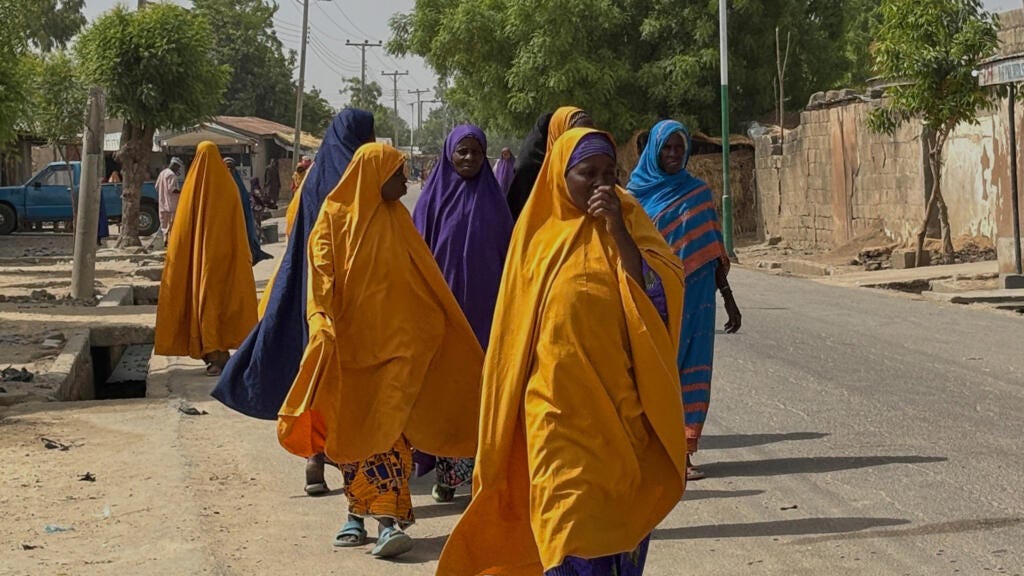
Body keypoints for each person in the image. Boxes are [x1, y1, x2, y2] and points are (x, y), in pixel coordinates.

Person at [437, 128, 688, 575]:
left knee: (617, 531)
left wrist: (617, 231)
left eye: (609, 175)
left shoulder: (630, 220)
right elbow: (510, 337)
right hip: (553, 415)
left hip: (620, 412)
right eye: (586, 174)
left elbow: (661, 295)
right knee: (568, 530)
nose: (599, 185)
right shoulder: (536, 237)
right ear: (560, 176)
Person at [277, 142, 484, 560]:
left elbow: (426, 280)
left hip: (398, 352)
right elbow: (321, 282)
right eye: (398, 174)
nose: (405, 182)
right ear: (374, 175)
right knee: (351, 436)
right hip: (350, 353)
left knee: (390, 436)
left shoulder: (399, 221)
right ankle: (355, 515)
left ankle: (388, 523)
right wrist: (321, 325)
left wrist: (434, 329)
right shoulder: (332, 220)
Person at [213, 109, 377, 496]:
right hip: (360, 297)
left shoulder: (316, 178)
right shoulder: (365, 176)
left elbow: (298, 238)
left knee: (315, 372)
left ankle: (314, 458)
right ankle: (348, 457)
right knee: (353, 379)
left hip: (313, 294)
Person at [627, 119, 742, 481]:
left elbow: (711, 251)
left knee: (691, 372)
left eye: (680, 148)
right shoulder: (633, 198)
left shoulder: (698, 193)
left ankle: (683, 452)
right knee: (655, 372)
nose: (674, 155)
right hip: (654, 300)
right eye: (667, 148)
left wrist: (729, 298)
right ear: (654, 151)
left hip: (697, 303)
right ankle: (650, 451)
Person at [411, 125, 514, 503]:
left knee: (482, 399)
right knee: (445, 398)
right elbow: (416, 259)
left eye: (475, 152)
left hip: (487, 322)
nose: (469, 159)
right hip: (443, 320)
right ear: (449, 155)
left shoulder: (495, 203)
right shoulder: (430, 201)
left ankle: (477, 476)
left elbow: (510, 262)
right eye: (462, 152)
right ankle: (447, 475)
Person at [154, 142, 258, 377]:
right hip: (225, 262)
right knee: (218, 304)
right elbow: (241, 225)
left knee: (204, 304)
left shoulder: (191, 189)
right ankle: (216, 354)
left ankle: (215, 355)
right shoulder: (228, 187)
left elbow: (180, 236)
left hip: (204, 263)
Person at [224, 157, 272, 265]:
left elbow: (244, 201)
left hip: (240, 218)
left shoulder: (239, 185)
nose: (229, 170)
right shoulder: (219, 185)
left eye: (231, 167)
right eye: (226, 167)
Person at [156, 157, 183, 236]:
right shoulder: (172, 175)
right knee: (171, 225)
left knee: (163, 226)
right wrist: (182, 192)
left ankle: (165, 241)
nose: (178, 169)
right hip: (171, 206)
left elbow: (157, 187)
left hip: (162, 205)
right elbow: (171, 189)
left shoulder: (162, 173)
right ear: (174, 165)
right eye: (178, 167)